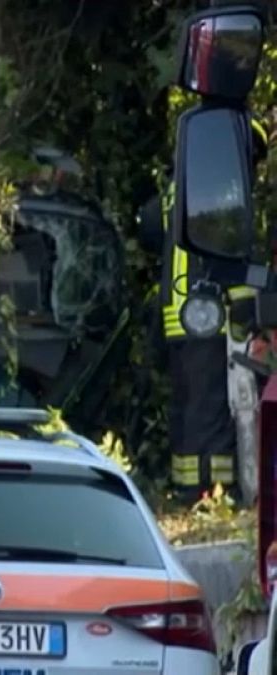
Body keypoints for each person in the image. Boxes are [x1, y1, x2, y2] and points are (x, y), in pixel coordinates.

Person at [156, 115, 268, 504]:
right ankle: (212, 491)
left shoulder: (180, 185)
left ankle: (188, 486)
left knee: (190, 405)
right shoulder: (220, 188)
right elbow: (229, 252)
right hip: (206, 314)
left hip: (180, 312)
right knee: (211, 407)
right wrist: (245, 307)